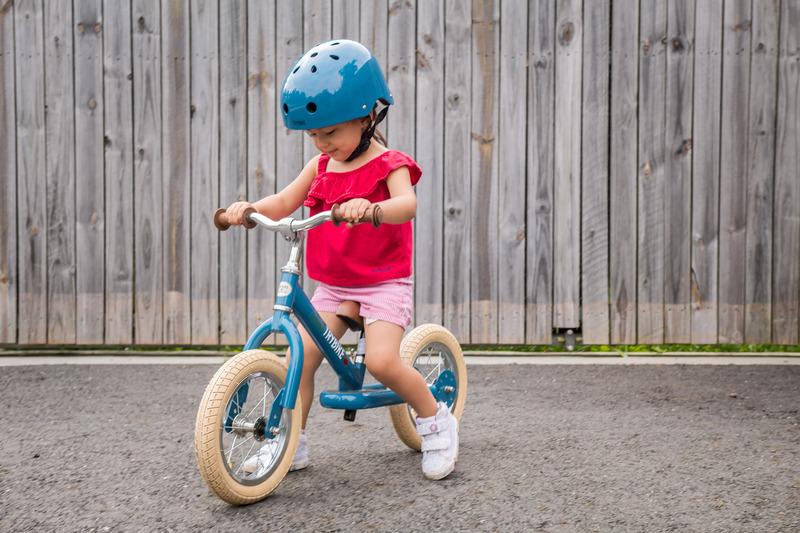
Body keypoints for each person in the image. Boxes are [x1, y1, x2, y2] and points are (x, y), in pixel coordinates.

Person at [222, 40, 458, 480]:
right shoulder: (320, 167)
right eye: (314, 134)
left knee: (383, 363)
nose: (322, 143)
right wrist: (248, 209)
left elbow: (407, 205)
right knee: (302, 360)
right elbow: (283, 200)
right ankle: (290, 442)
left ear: (368, 117)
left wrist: (370, 209)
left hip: (383, 282)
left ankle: (437, 420)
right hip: (335, 286)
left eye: (330, 132)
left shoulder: (390, 164)